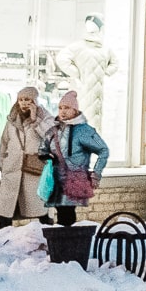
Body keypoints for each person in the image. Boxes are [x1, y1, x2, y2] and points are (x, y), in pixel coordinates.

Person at [44, 88, 111, 227]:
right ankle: (64, 244)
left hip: (74, 179)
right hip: (56, 180)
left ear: (75, 110)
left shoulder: (84, 130)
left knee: (66, 215)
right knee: (61, 214)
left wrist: (96, 174)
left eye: (67, 108)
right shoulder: (56, 129)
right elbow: (45, 149)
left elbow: (103, 150)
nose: (62, 111)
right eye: (60, 108)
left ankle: (69, 245)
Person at [0, 85, 53, 227]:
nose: (24, 103)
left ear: (35, 101)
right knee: (5, 212)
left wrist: (35, 121)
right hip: (12, 170)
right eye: (21, 99)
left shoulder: (45, 117)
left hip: (34, 171)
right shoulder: (12, 119)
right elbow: (4, 143)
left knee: (41, 212)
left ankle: (49, 241)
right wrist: (3, 164)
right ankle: (3, 242)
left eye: (28, 99)